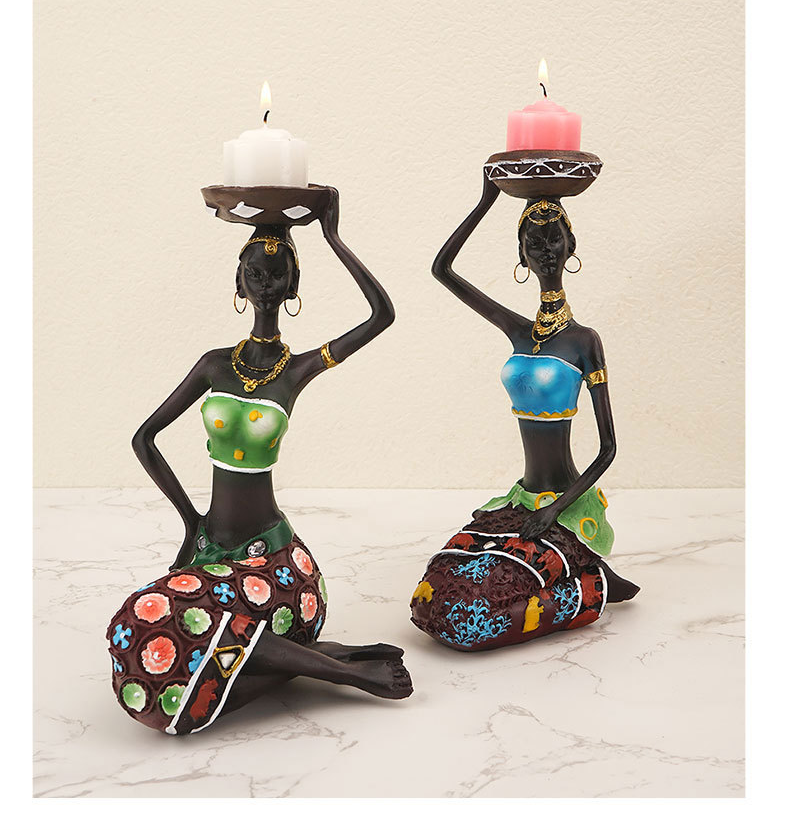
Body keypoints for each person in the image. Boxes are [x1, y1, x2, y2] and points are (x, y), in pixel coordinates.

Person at [107, 188, 412, 734]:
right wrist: (191, 521)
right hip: (208, 558)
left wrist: (332, 236)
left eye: (277, 274)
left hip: (277, 567)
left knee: (168, 636)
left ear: (294, 285)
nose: (265, 283)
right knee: (144, 631)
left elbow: (381, 315)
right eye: (254, 272)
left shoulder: (296, 370)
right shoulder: (214, 365)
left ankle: (339, 671)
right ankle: (321, 662)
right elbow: (145, 438)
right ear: (238, 281)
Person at [410, 174, 639, 651]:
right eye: (533, 242)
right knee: (435, 591)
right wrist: (486, 199)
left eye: (554, 238)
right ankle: (589, 576)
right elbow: (442, 269)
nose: (545, 250)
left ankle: (591, 586)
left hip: (564, 507)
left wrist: (555, 509)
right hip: (519, 503)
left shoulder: (583, 342)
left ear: (571, 246)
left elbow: (608, 448)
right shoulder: (517, 331)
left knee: (475, 613)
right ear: (521, 255)